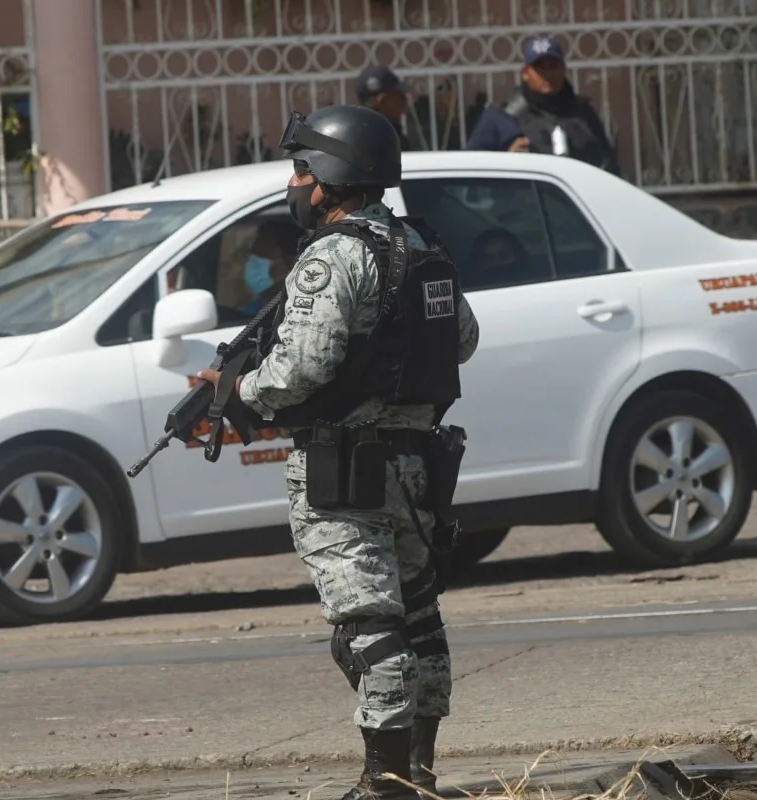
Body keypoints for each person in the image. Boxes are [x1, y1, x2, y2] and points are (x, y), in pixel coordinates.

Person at [198, 104, 481, 799]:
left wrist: (238, 393)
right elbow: (463, 339)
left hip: (343, 470)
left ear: (331, 176)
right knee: (418, 616)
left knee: (368, 626)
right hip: (416, 466)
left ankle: (384, 784)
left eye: (302, 169)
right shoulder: (423, 245)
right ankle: (418, 771)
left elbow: (302, 367)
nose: (294, 183)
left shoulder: (334, 255)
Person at [465, 36, 620, 175]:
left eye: (553, 66)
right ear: (525, 73)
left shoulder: (583, 114)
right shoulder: (501, 117)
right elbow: (472, 172)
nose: (548, 74)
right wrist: (506, 162)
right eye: (540, 67)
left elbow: (609, 166)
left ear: (563, 70)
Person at [238, 219, 300, 315]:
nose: (253, 263)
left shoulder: (296, 314)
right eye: (253, 254)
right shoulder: (254, 308)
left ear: (291, 261)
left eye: (261, 255)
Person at [356, 65, 413, 152]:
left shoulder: (358, 136)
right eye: (399, 95)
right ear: (383, 100)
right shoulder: (383, 141)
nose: (404, 99)